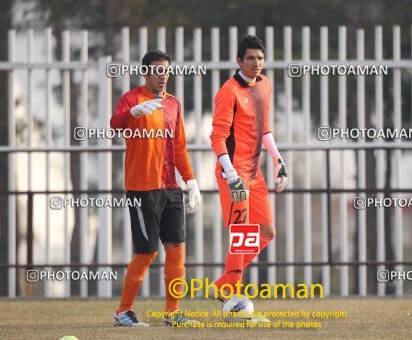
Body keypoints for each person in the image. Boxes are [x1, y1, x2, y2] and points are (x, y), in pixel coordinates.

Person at [110, 50, 201, 327]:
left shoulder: (174, 104)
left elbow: (180, 147)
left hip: (170, 187)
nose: (163, 76)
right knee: (147, 252)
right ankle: (123, 312)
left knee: (176, 250)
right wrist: (132, 113)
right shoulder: (131, 99)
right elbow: (114, 125)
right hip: (141, 188)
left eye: (166, 71)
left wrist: (192, 181)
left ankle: (172, 314)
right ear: (146, 72)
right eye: (157, 71)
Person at [210, 35, 289, 300]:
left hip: (254, 174)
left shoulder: (265, 85)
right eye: (251, 58)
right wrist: (231, 174)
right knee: (241, 233)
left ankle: (223, 284)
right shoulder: (228, 92)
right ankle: (232, 296)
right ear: (239, 61)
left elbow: (264, 128)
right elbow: (217, 137)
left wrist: (278, 160)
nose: (256, 63)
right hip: (233, 174)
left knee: (267, 232)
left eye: (260, 58)